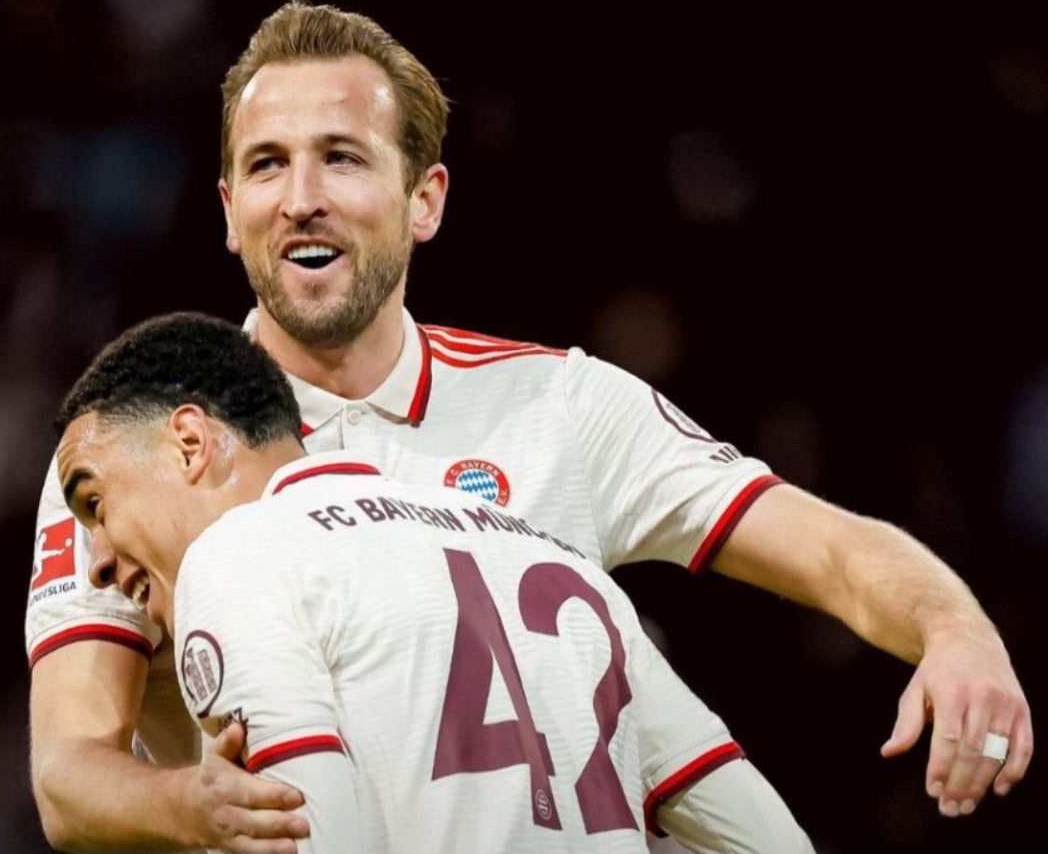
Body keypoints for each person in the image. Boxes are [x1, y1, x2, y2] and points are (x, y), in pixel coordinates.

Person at [25, 1, 1032, 852]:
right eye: (265, 165)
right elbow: (70, 772)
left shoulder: (559, 407)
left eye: (341, 158)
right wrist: (189, 804)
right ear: (226, 206)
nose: (301, 200)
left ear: (424, 199)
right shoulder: (136, 448)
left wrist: (954, 630)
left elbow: (827, 547)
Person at [53, 311, 814, 853]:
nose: (97, 558)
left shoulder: (237, 558)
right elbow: (766, 837)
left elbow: (312, 837)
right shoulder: (541, 550)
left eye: (95, 501)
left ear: (190, 443)